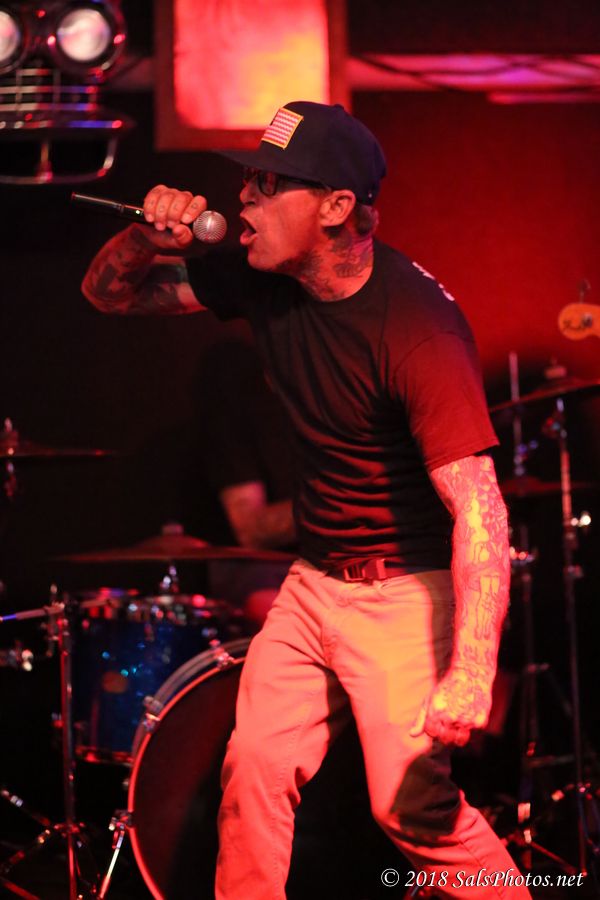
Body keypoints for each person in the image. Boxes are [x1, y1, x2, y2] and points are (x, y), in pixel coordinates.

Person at [82, 101, 531, 898]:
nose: (244, 199)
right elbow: (110, 297)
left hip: (403, 590)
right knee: (252, 773)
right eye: (248, 180)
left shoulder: (416, 329)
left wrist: (470, 670)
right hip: (313, 581)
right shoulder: (264, 276)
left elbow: (481, 509)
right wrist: (145, 239)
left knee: (412, 815)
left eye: (267, 184)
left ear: (335, 207)